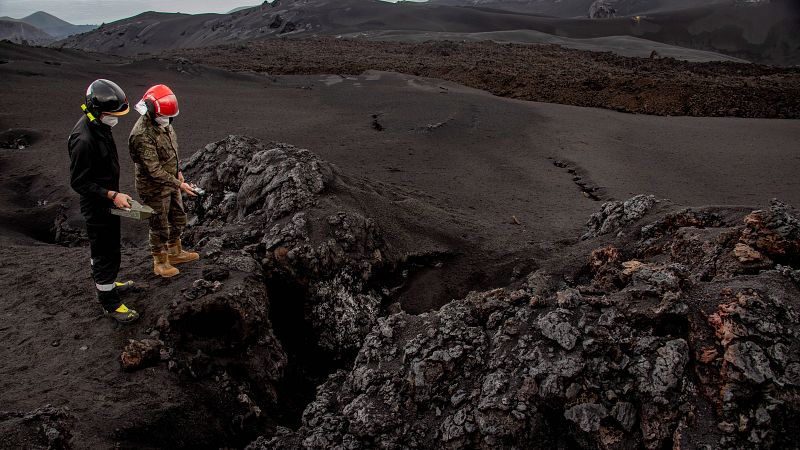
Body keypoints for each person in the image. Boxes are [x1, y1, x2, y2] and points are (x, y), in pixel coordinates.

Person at [68, 79, 139, 323]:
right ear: (98, 111)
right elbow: (79, 183)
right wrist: (111, 194)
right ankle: (109, 302)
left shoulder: (99, 126)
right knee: (104, 251)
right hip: (98, 206)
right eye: (112, 114)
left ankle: (107, 282)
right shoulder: (83, 140)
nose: (115, 119)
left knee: (110, 248)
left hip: (109, 201)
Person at [128, 84, 200, 278]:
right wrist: (179, 184)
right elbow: (153, 170)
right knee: (158, 224)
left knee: (178, 218)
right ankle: (160, 261)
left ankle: (175, 252)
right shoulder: (142, 135)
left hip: (171, 181)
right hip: (154, 187)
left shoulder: (164, 124)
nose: (167, 120)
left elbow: (170, 152)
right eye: (164, 116)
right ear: (151, 111)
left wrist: (178, 172)